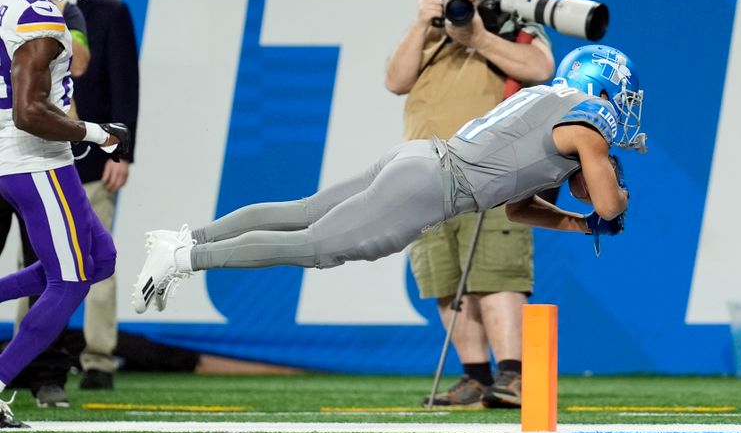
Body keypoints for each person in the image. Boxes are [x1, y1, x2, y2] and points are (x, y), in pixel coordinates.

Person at [132, 44, 645, 353]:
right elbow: (609, 205)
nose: (623, 110)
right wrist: (612, 201)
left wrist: (579, 226)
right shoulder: (589, 116)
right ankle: (184, 257)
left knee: (305, 211)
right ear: (604, 87)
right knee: (315, 246)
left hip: (421, 157)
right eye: (622, 97)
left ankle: (185, 238)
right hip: (431, 188)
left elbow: (516, 206)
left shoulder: (551, 103)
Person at [384, 0, 555, 408]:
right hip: (424, 173)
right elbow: (396, 81)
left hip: (492, 169)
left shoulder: (511, 25)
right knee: (446, 279)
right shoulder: (427, 36)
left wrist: (476, 35)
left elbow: (540, 69)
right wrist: (422, 23)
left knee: (495, 274)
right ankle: (475, 379)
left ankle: (514, 376)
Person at [0, 0, 130, 429]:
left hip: (36, 159)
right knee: (71, 281)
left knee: (100, 258)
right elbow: (29, 111)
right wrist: (97, 133)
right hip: (34, 162)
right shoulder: (36, 14)